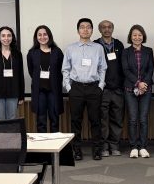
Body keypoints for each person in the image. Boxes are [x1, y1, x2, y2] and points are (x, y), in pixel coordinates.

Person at [62, 18, 107, 161]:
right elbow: (65, 69)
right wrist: (69, 87)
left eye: (88, 27)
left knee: (96, 120)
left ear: (92, 30)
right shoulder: (70, 48)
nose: (85, 30)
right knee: (76, 121)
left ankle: (97, 150)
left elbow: (103, 68)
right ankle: (76, 150)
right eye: (82, 27)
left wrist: (100, 86)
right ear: (78, 30)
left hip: (94, 88)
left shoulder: (98, 48)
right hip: (76, 88)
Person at [122, 24, 154, 158]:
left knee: (143, 119)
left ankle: (143, 147)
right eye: (134, 35)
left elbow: (150, 69)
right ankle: (134, 146)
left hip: (146, 89)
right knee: (133, 119)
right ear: (130, 37)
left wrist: (143, 84)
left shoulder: (149, 51)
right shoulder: (125, 52)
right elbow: (125, 70)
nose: (137, 37)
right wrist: (138, 83)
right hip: (130, 89)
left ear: (143, 36)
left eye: (140, 35)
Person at [95, 20, 125, 157]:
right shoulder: (95, 45)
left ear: (112, 29)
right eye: (103, 27)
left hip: (117, 89)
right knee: (102, 119)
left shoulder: (119, 44)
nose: (107, 29)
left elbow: (123, 66)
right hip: (103, 89)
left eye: (109, 27)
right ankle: (104, 146)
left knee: (117, 119)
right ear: (99, 30)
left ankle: (114, 145)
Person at [27, 25, 64, 133]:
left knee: (54, 120)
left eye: (45, 34)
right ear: (36, 37)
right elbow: (31, 71)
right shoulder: (32, 53)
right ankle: (43, 144)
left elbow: (62, 70)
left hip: (54, 91)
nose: (42, 37)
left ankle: (55, 144)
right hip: (39, 92)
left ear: (49, 36)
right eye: (39, 35)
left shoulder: (57, 52)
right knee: (41, 121)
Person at [0, 26, 25, 121]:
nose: (6, 38)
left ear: (12, 37)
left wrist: (21, 95)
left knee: (12, 120)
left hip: (14, 93)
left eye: (9, 35)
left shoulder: (17, 54)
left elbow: (20, 75)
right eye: (3, 36)